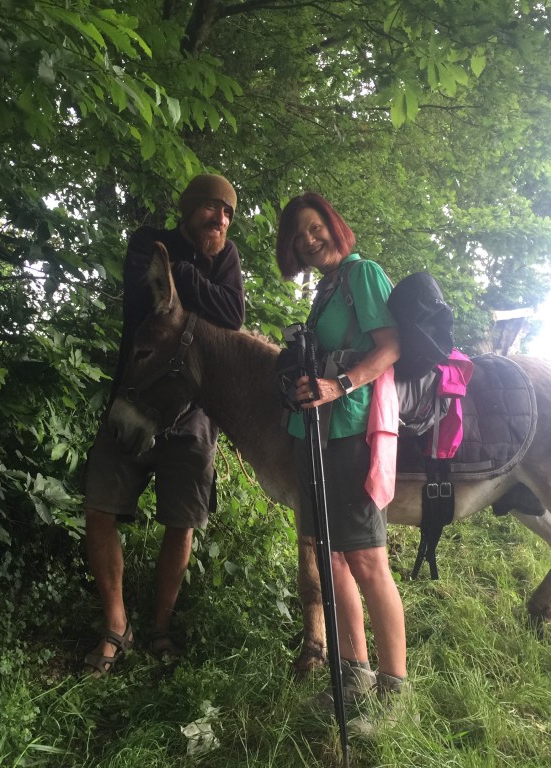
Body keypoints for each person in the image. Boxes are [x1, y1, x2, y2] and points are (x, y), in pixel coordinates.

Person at [82, 174, 245, 677]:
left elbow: (233, 315)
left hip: (192, 416)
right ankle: (116, 624)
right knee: (100, 506)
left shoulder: (228, 256)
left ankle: (161, 627)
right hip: (135, 399)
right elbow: (146, 303)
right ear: (189, 209)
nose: (219, 219)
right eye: (211, 209)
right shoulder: (145, 244)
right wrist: (194, 281)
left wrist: (181, 278)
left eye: (226, 213)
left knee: (182, 521)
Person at [275, 192, 408, 724]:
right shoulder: (327, 290)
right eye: (299, 236)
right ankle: (354, 675)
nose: (310, 240)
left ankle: (395, 693)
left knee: (368, 560)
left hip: (351, 431)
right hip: (316, 436)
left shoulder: (362, 275)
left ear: (334, 225)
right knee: (330, 559)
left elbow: (391, 345)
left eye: (315, 227)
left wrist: (339, 384)